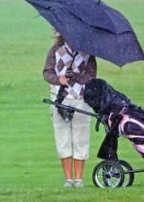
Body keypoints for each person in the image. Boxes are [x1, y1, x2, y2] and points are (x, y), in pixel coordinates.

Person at [43, 31, 97, 187]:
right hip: (59, 99)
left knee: (81, 139)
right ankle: (68, 179)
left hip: (81, 100)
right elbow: (47, 73)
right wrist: (58, 79)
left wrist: (75, 76)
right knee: (62, 139)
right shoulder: (55, 50)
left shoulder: (88, 52)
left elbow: (91, 76)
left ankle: (78, 180)